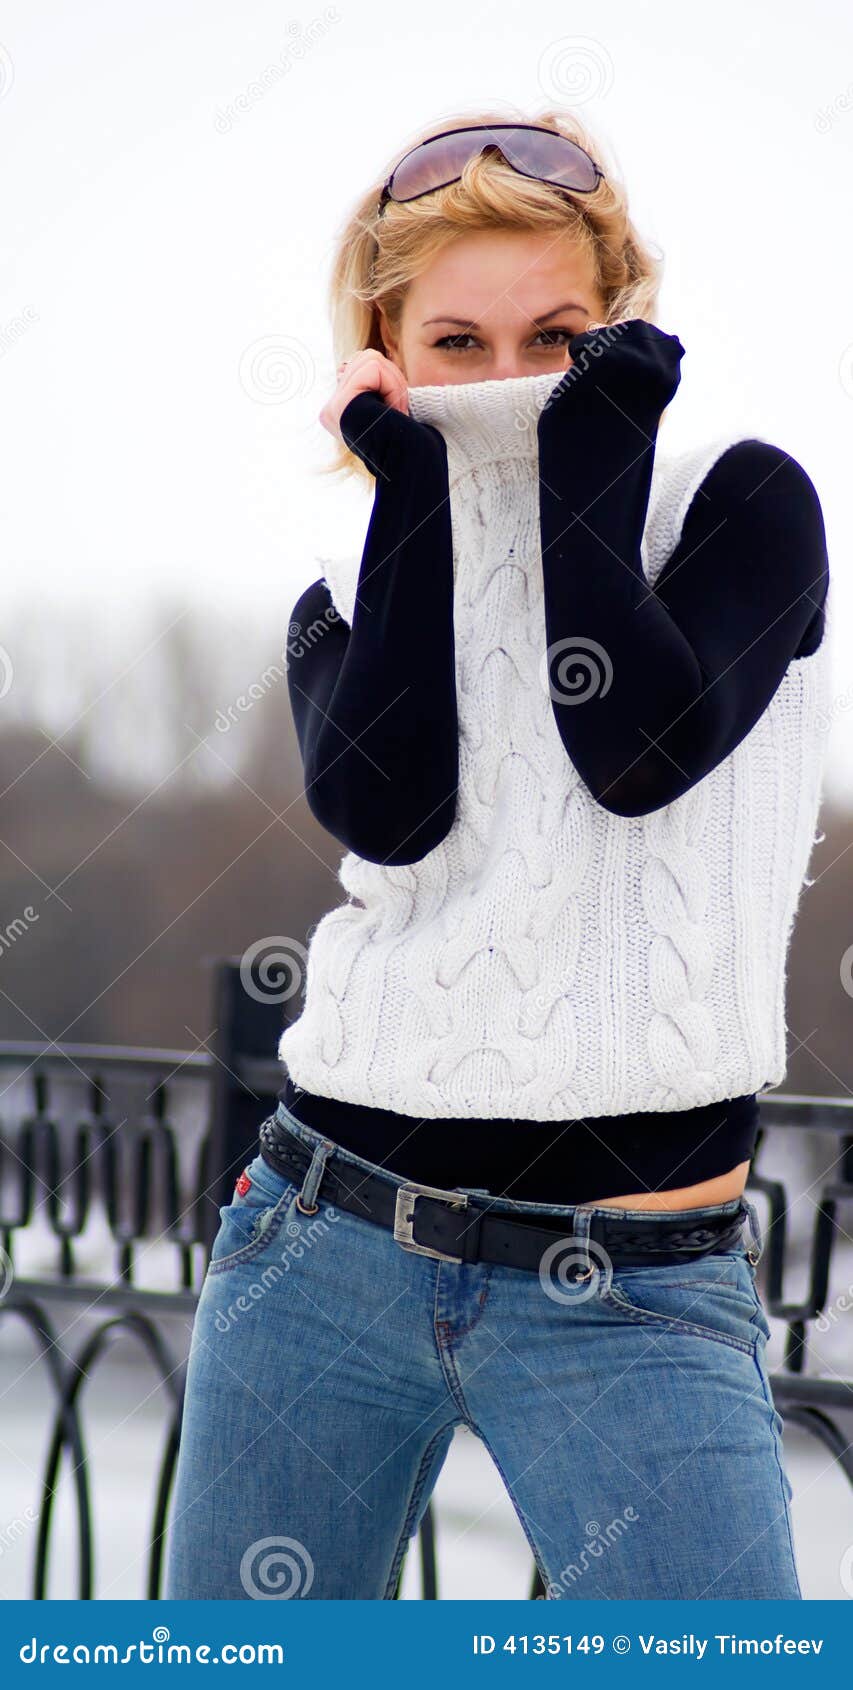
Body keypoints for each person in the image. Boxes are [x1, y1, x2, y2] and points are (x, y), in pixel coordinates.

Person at [165, 109, 831, 1601]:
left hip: (637, 1288)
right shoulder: (352, 572)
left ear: (623, 325)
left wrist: (585, 470)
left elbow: (638, 748)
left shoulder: (740, 502)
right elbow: (390, 805)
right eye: (456, 343)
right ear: (384, 352)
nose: (511, 381)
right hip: (321, 1245)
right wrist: (416, 500)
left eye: (555, 335)